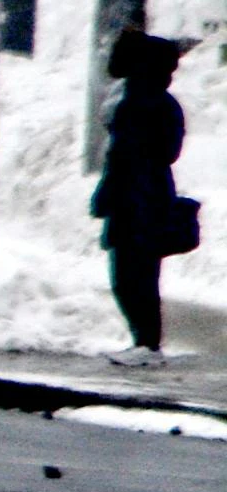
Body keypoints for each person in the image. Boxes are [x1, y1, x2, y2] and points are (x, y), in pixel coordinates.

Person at [98, 31, 192, 359]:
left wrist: (111, 189)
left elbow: (124, 154)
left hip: (138, 198)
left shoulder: (143, 103)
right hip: (143, 194)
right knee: (136, 275)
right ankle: (145, 341)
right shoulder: (155, 102)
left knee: (132, 276)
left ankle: (147, 343)